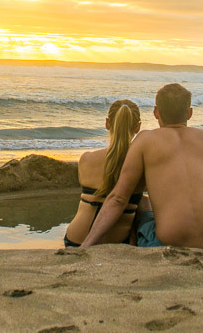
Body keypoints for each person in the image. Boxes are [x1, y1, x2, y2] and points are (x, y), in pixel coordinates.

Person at [79, 83, 203, 256]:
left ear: (156, 112)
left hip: (165, 246)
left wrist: (86, 245)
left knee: (143, 203)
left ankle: (136, 246)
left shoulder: (145, 140)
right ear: (189, 113)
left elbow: (119, 198)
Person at [62, 99, 145, 248]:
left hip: (75, 240)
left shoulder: (86, 159)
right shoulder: (142, 166)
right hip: (116, 244)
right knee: (143, 202)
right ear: (138, 127)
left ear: (107, 123)